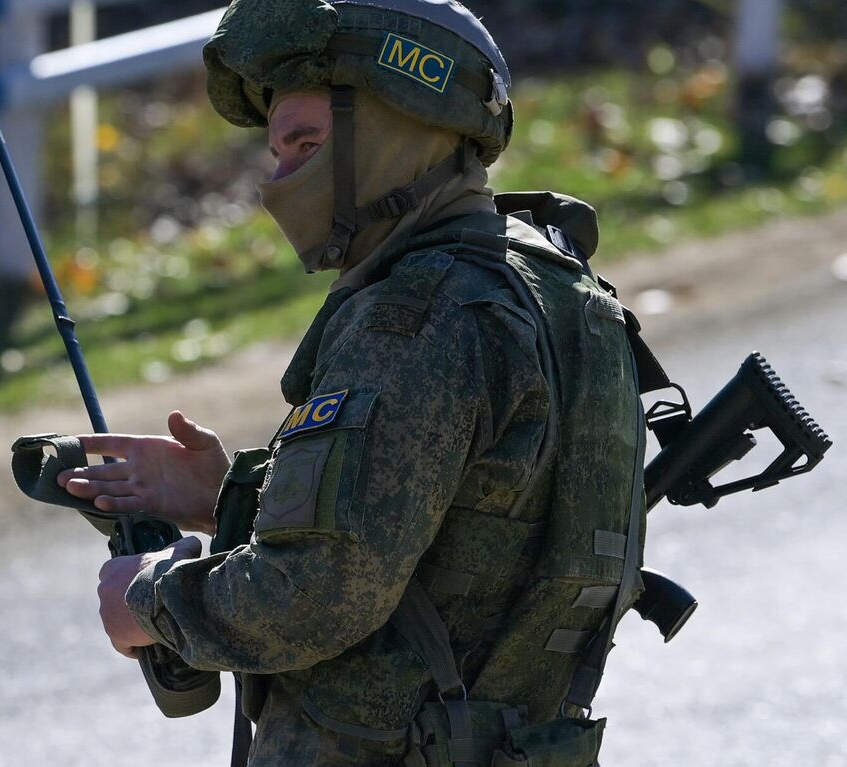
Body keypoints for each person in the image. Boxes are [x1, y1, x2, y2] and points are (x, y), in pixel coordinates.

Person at [59, 1, 647, 764]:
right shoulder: (548, 284)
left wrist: (150, 598)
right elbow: (469, 528)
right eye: (277, 152)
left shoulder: (416, 318)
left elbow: (314, 597)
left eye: (306, 142)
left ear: (400, 128)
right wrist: (232, 496)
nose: (282, 180)